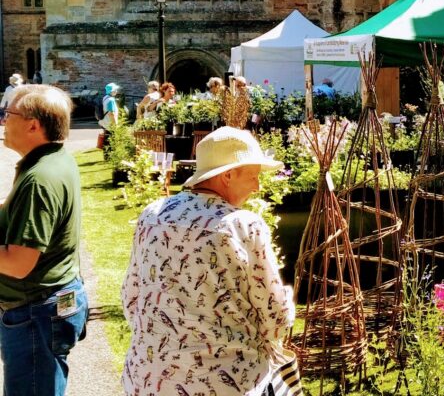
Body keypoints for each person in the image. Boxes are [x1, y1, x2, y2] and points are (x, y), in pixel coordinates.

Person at [121, 126, 297, 396]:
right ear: (227, 175)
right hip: (224, 383)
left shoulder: (152, 214)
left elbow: (131, 298)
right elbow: (276, 321)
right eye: (252, 176)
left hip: (148, 379)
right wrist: (287, 297)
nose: (257, 187)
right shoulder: (243, 225)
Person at [0, 84, 88, 395]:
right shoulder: (53, 159)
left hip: (35, 311)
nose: (2, 122)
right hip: (49, 304)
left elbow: (19, 263)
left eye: (7, 114)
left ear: (33, 125)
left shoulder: (40, 178)